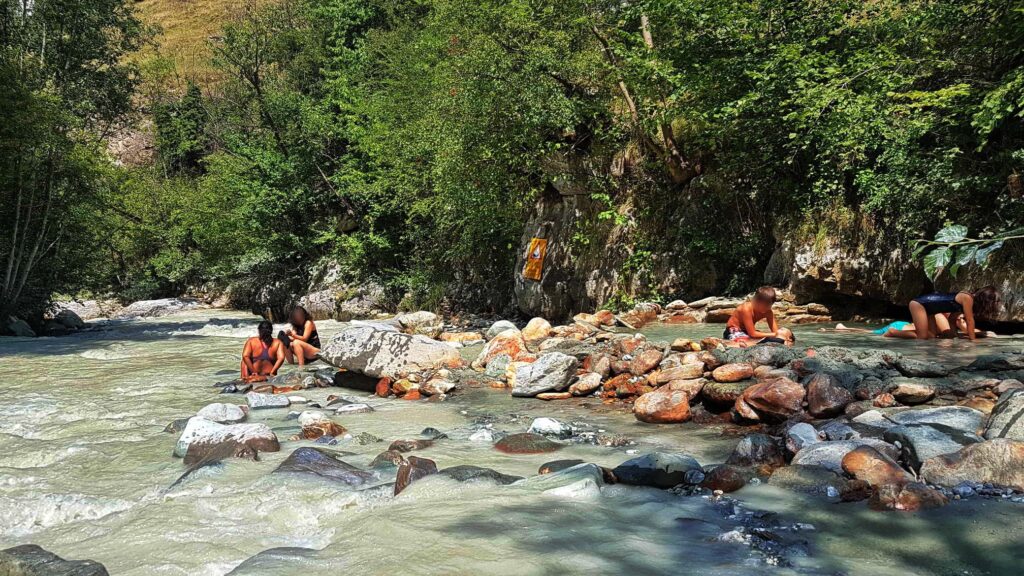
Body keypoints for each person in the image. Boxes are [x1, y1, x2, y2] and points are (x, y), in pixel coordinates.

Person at [886, 286, 1001, 341]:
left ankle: (896, 332)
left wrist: (953, 335)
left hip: (931, 309)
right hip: (919, 304)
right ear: (986, 300)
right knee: (922, 337)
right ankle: (893, 332)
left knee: (931, 336)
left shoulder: (966, 301)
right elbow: (970, 321)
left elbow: (952, 319)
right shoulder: (968, 298)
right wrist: (973, 340)